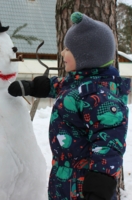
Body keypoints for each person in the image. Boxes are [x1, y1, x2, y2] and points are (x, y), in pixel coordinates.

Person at [8, 12, 131, 200]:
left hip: (85, 184)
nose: (63, 53)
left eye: (68, 49)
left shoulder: (100, 96)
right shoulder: (76, 83)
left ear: (86, 56)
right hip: (64, 177)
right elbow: (55, 85)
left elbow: (109, 142)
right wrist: (30, 86)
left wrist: (100, 183)